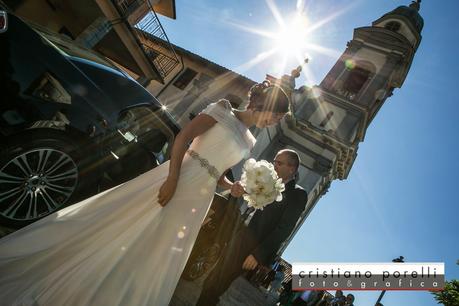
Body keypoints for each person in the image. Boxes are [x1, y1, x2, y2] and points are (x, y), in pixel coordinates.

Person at [0, 81, 290, 306]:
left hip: (199, 200)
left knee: (157, 252)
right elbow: (183, 138)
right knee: (127, 230)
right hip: (178, 179)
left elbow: (219, 172)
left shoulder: (250, 141)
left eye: (277, 120)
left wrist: (232, 187)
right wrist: (173, 178)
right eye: (275, 115)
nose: (273, 122)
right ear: (263, 103)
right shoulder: (223, 110)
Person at [196, 149, 308, 306]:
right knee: (212, 280)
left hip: (250, 246)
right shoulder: (266, 180)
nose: (274, 165)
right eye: (275, 161)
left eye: (279, 163)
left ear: (292, 168)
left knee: (215, 284)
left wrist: (258, 254)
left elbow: (284, 229)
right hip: (236, 232)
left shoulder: (297, 194)